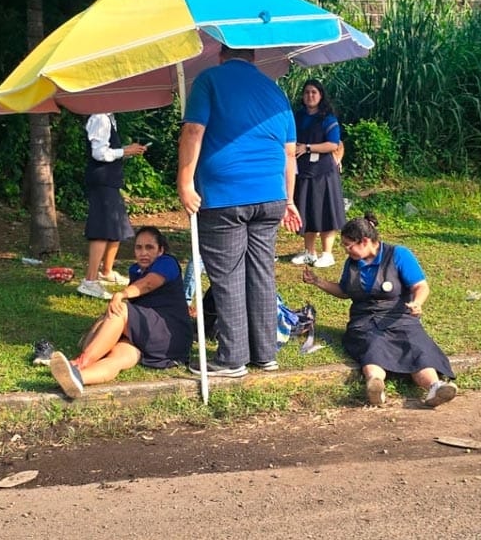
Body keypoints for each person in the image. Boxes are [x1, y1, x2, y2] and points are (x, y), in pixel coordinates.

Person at [177, 45, 301, 377]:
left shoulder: (209, 80)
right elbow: (290, 154)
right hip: (271, 195)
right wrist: (289, 200)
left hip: (225, 195)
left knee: (228, 275)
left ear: (220, 55)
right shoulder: (275, 91)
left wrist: (185, 183)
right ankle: (264, 353)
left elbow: (193, 131)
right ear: (254, 58)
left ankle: (232, 359)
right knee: (262, 273)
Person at [302, 212, 457, 407]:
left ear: (365, 241)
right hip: (365, 319)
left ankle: (435, 387)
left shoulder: (399, 255)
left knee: (417, 346)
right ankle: (376, 385)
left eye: (348, 245)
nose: (346, 250)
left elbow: (421, 286)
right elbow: (345, 291)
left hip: (399, 317)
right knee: (372, 345)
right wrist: (317, 281)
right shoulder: (352, 263)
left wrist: (417, 303)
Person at [50, 226, 192, 398]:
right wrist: (98, 328)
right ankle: (78, 378)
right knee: (119, 356)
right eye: (138, 247)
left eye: (149, 247)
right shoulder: (135, 270)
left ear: (160, 250)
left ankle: (81, 363)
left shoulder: (167, 262)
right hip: (149, 335)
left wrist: (121, 294)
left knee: (121, 310)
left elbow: (148, 284)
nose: (143, 253)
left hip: (169, 332)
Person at [76, 113, 148, 300]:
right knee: (101, 229)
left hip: (110, 181)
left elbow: (109, 150)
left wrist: (127, 150)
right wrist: (124, 151)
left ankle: (106, 272)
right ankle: (89, 282)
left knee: (116, 227)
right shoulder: (100, 117)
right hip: (102, 181)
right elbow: (99, 153)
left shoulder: (109, 117)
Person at [290, 79, 346, 268]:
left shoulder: (328, 119)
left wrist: (307, 147)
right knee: (306, 210)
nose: (310, 96)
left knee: (326, 210)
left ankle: (327, 254)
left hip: (324, 172)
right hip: (303, 172)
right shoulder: (297, 116)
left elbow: (333, 144)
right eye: (306, 92)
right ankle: (309, 252)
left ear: (321, 95)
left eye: (314, 92)